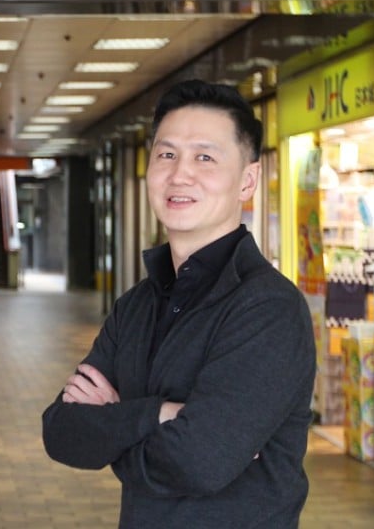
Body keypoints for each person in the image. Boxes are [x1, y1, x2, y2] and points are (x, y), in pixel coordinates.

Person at [41, 79, 316, 528]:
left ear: (247, 180)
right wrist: (160, 415)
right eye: (166, 154)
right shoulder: (136, 305)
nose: (180, 173)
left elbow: (199, 461)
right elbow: (62, 432)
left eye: (204, 157)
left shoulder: (269, 309)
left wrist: (114, 422)